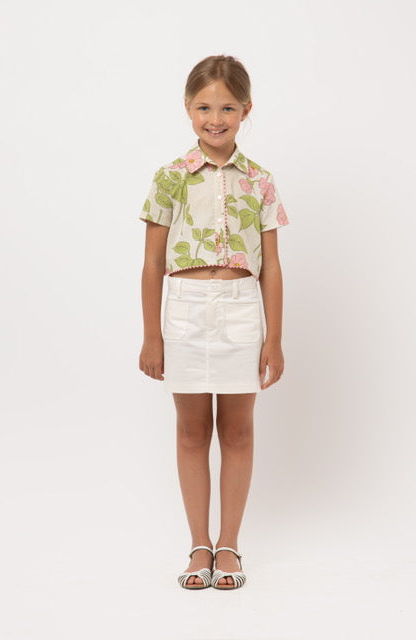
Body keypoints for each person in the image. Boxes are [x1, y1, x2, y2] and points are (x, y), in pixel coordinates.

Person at [138, 54, 290, 590]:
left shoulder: (261, 181)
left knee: (238, 429)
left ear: (246, 110)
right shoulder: (170, 178)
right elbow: (153, 263)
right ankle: (198, 545)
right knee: (191, 430)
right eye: (204, 107)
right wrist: (152, 335)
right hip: (184, 308)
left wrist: (274, 339)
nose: (215, 118)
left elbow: (272, 267)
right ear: (188, 108)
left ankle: (229, 545)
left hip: (241, 308)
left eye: (227, 107)